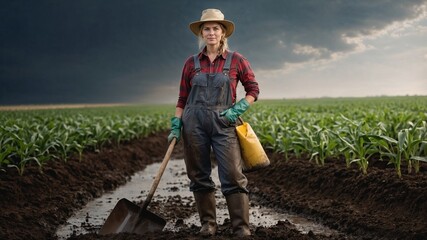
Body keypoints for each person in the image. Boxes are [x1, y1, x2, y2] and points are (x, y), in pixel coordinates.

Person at [168, 8, 259, 237]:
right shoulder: (191, 63)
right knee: (198, 175)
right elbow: (182, 98)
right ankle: (208, 224)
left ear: (222, 32)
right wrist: (176, 124)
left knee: (232, 176)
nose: (211, 33)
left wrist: (237, 108)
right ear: (201, 33)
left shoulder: (236, 60)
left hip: (224, 124)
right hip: (193, 125)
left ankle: (241, 227)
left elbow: (253, 90)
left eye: (215, 28)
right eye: (206, 29)